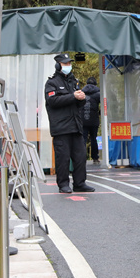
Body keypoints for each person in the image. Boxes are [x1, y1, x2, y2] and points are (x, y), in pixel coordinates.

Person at [44, 53, 96, 193]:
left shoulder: (74, 82)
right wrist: (72, 96)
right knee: (63, 158)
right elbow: (52, 101)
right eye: (65, 63)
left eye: (69, 63)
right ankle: (63, 184)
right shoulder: (51, 83)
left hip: (76, 125)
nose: (68, 66)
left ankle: (79, 183)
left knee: (80, 157)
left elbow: (78, 103)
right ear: (58, 65)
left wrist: (82, 98)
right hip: (61, 127)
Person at [80, 77, 101, 164]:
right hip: (94, 120)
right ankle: (95, 158)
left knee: (83, 139)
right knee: (94, 139)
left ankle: (82, 158)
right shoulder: (98, 94)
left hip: (83, 120)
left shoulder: (81, 93)